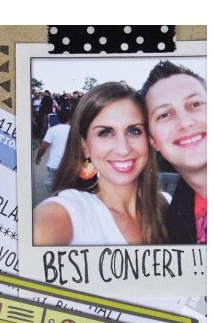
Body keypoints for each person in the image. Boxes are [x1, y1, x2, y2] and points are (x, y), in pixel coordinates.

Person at [33, 81, 167, 246]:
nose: (123, 149)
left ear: (149, 139)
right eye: (105, 133)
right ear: (85, 146)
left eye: (134, 131)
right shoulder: (66, 214)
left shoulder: (169, 205)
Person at [140, 61, 207, 244]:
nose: (185, 122)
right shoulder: (174, 225)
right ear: (153, 141)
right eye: (164, 115)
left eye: (196, 104)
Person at [34, 107, 71, 190]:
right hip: (69, 165)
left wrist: (38, 157)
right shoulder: (73, 130)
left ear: (58, 118)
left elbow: (43, 147)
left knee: (52, 188)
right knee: (67, 189)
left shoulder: (52, 130)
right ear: (69, 119)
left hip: (54, 164)